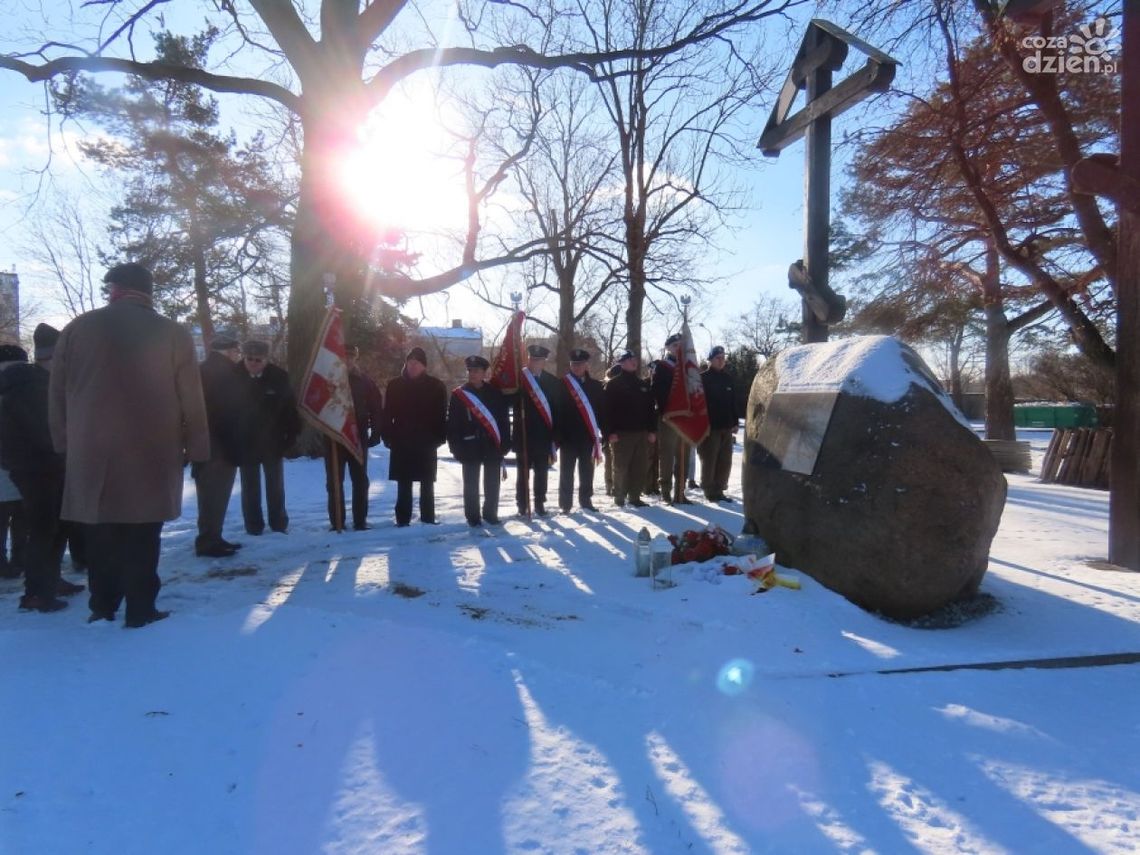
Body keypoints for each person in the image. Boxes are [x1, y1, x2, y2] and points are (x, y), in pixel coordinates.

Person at [49, 263, 210, 627]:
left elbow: (56, 393)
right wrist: (197, 447)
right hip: (153, 449)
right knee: (144, 531)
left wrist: (63, 442)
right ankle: (140, 608)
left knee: (100, 531)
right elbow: (192, 397)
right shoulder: (172, 332)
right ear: (149, 292)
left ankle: (102, 605)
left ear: (114, 289)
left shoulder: (77, 328)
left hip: (91, 450)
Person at [0, 333, 84, 611]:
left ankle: (49, 581)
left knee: (55, 527)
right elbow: (45, 431)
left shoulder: (35, 382)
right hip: (39, 468)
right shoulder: (29, 385)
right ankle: (36, 592)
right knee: (44, 530)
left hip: (41, 467)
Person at [234, 339, 301, 535]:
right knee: (249, 486)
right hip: (245, 441)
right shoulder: (233, 376)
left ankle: (278, 522)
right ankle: (253, 525)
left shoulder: (279, 377)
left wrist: (291, 436)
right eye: (249, 359)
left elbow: (290, 410)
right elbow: (224, 410)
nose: (253, 363)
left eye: (258, 360)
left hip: (273, 441)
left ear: (266, 359)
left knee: (275, 485)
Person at [382, 347, 448, 527]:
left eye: (416, 363)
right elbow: (387, 413)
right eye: (409, 362)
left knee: (427, 482)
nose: (412, 366)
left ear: (424, 366)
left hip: (427, 441)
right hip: (401, 441)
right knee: (404, 482)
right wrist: (387, 436)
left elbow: (441, 415)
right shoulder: (394, 385)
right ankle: (403, 519)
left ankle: (428, 517)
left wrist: (439, 438)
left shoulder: (436, 386)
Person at [193, 331, 244, 557]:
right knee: (215, 493)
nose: (238, 355)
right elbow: (230, 410)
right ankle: (208, 541)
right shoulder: (227, 374)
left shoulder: (201, 370)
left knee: (211, 494)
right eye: (236, 351)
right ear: (229, 351)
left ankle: (213, 536)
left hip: (206, 441)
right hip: (221, 444)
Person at [325, 345, 384, 531]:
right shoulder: (327, 379)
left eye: (351, 357)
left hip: (357, 437)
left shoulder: (365, 382)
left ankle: (360, 521)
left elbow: (376, 408)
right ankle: (337, 521)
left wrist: (376, 432)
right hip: (333, 438)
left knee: (360, 481)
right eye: (344, 357)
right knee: (334, 482)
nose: (347, 360)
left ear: (355, 358)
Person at [447, 355, 511, 527]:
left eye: (477, 371)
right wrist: (455, 447)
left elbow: (503, 420)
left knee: (492, 483)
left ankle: (490, 513)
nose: (473, 374)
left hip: (491, 444)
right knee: (470, 484)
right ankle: (473, 516)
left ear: (484, 373)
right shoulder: (459, 395)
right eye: (470, 370)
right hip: (469, 445)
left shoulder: (495, 393)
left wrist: (505, 442)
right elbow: (452, 424)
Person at [602, 350, 656, 508]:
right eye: (629, 359)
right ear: (622, 363)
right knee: (621, 467)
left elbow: (650, 410)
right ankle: (619, 496)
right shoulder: (613, 384)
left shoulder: (643, 385)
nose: (634, 362)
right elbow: (606, 411)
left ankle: (635, 497)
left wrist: (652, 430)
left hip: (641, 433)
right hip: (621, 434)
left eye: (634, 359)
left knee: (639, 466)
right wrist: (610, 432)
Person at [512, 344, 561, 516]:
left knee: (541, 473)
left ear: (544, 361)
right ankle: (522, 504)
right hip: (523, 435)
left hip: (543, 436)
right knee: (522, 474)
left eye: (538, 360)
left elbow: (557, 410)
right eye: (532, 359)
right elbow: (509, 402)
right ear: (528, 359)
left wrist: (555, 436)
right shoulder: (519, 379)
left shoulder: (552, 382)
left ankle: (539, 503)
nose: (535, 363)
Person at [555, 348, 606, 513]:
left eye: (580, 364)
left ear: (586, 365)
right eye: (574, 364)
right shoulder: (562, 384)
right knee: (566, 472)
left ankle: (586, 500)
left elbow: (601, 411)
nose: (577, 367)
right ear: (570, 365)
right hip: (567, 437)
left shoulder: (596, 386)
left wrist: (604, 432)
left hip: (587, 437)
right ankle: (565, 504)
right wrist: (558, 435)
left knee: (587, 471)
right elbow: (557, 411)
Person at [0, 344, 28, 581]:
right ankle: (20, 560)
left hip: (9, 465)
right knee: (21, 519)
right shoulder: (28, 387)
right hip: (23, 465)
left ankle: (5, 564)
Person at [651, 333, 690, 503]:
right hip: (669, 417)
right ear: (668, 348)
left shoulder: (687, 367)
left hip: (685, 419)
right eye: (675, 346)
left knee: (684, 456)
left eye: (681, 346)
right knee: (667, 456)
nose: (678, 348)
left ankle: (680, 492)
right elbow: (657, 391)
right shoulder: (662, 367)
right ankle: (666, 492)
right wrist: (667, 410)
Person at [699, 345, 740, 502]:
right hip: (710, 427)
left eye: (723, 358)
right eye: (718, 358)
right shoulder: (703, 379)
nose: (722, 361)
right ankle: (709, 490)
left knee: (725, 460)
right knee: (710, 459)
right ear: (711, 360)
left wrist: (735, 421)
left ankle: (720, 488)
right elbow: (699, 404)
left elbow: (733, 402)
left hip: (726, 426)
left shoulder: (727, 378)